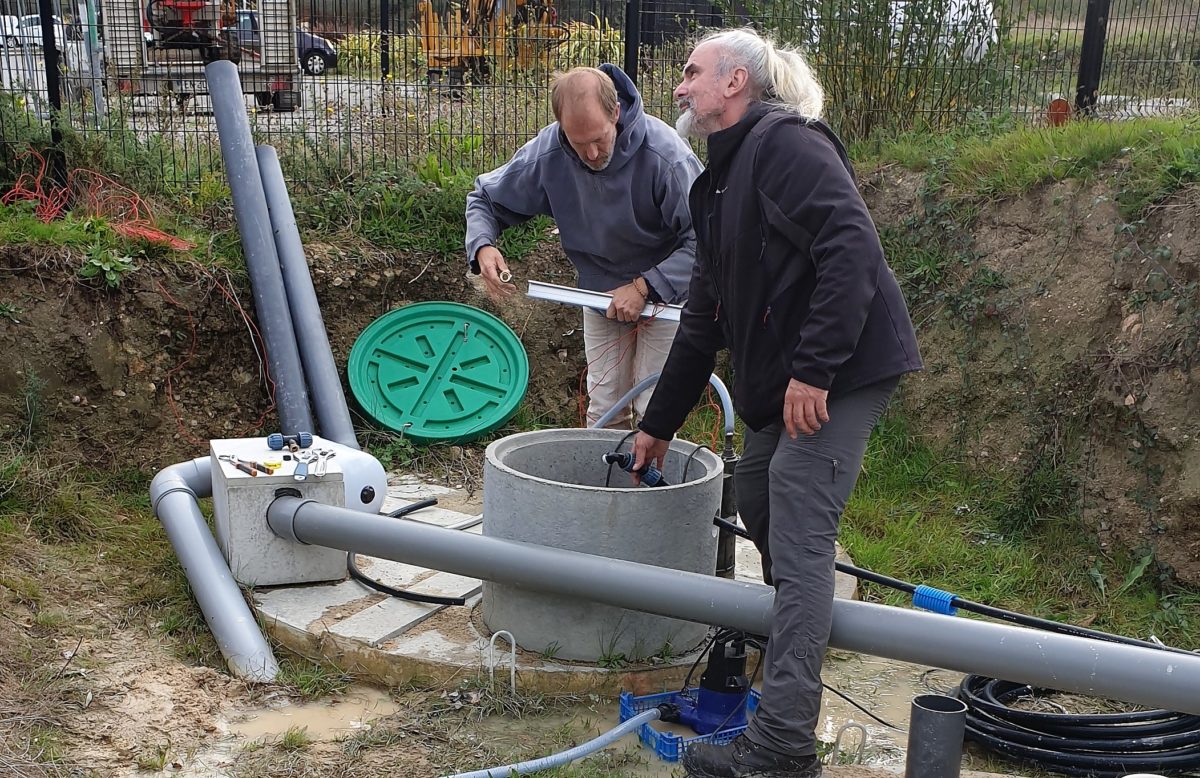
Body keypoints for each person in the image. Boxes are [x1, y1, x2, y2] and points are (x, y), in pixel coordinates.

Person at [631, 28, 923, 778]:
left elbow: (853, 247)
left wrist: (816, 370)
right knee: (757, 488)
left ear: (736, 83)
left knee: (795, 510)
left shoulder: (786, 146)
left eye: (692, 72)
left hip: (847, 365)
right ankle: (795, 656)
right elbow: (701, 321)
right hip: (798, 373)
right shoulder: (717, 184)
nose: (679, 86)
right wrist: (656, 427)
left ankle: (783, 748)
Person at [465, 64, 702, 428]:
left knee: (656, 409)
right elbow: (485, 198)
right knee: (605, 409)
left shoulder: (665, 156)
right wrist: (483, 245)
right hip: (599, 294)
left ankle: (656, 485)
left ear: (616, 114)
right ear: (562, 127)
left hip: (669, 295)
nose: (591, 154)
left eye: (599, 140)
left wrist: (645, 286)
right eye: (579, 143)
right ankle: (606, 484)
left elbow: (706, 241)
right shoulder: (549, 152)